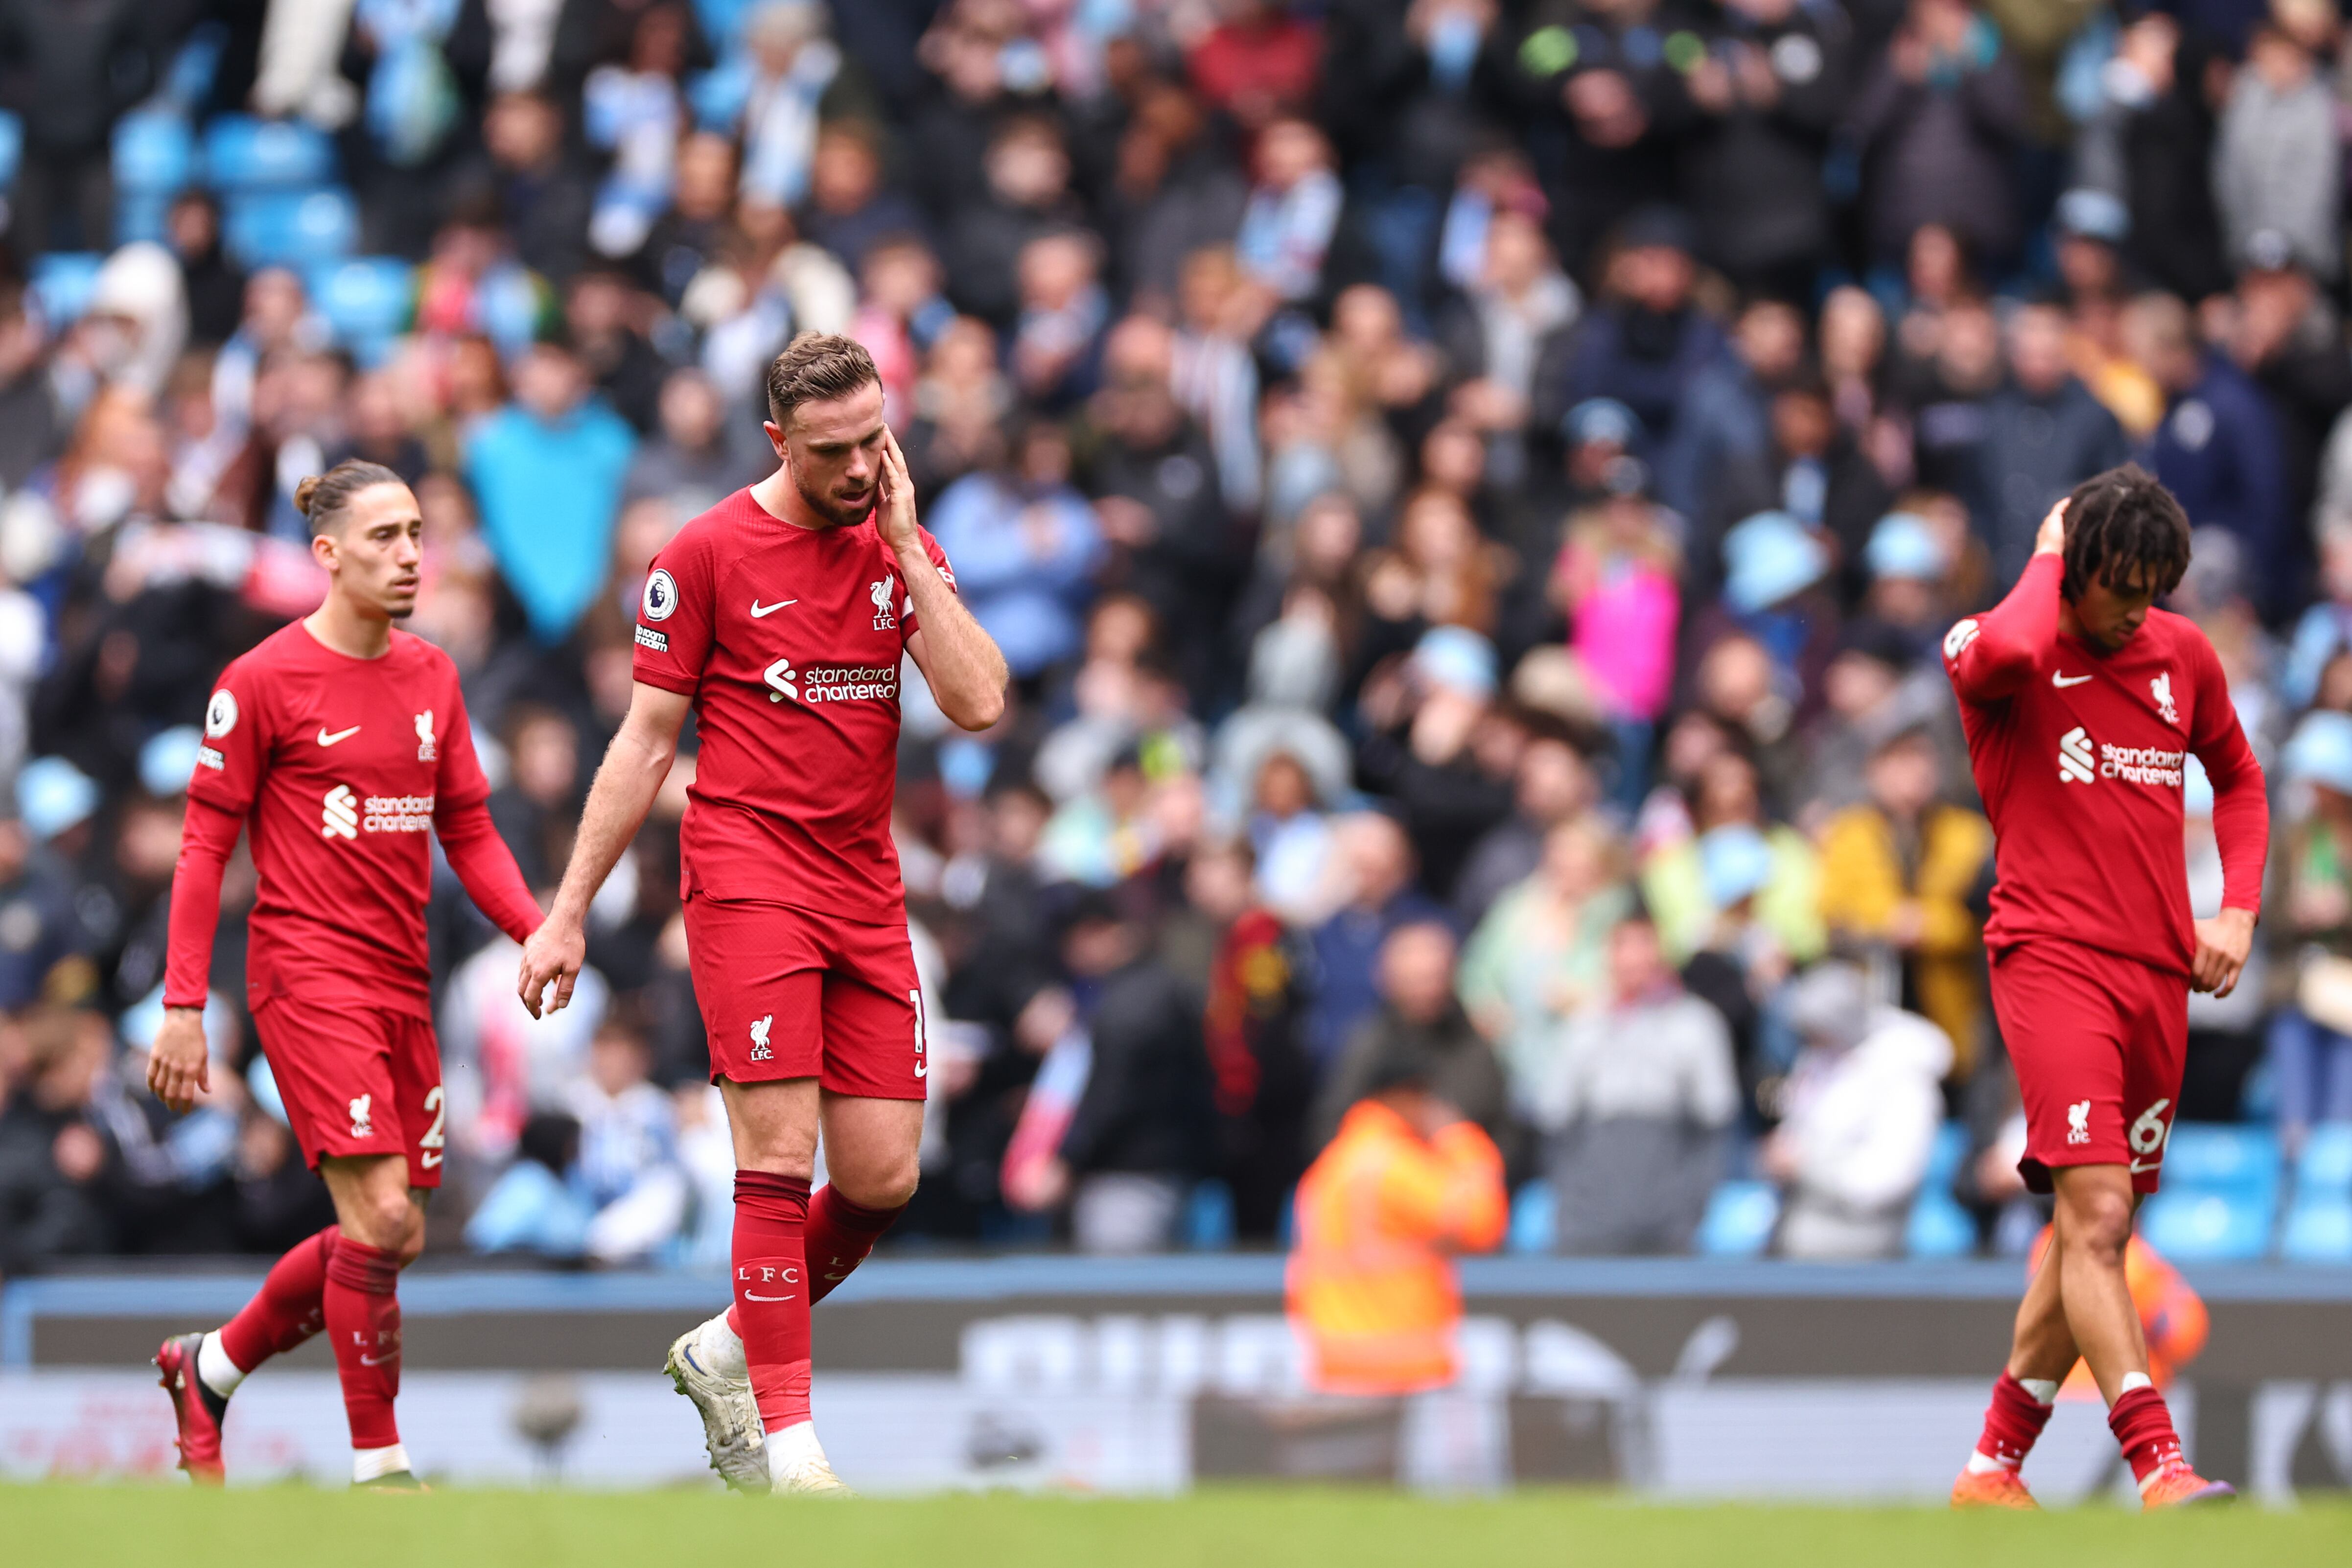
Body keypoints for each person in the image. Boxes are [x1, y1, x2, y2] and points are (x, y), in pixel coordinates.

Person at [515, 334, 1007, 1495]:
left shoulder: (898, 544)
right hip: (746, 876)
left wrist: (904, 548)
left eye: (872, 442)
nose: (856, 468)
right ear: (779, 441)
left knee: (884, 1179)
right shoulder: (704, 554)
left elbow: (980, 701)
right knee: (777, 1157)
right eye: (832, 451)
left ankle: (729, 1342)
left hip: (865, 886)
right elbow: (644, 742)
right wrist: (568, 909)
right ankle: (791, 1447)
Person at [148, 461, 545, 1490]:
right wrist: (184, 1003)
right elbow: (202, 849)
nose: (411, 554)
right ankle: (382, 1469)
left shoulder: (432, 675)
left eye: (417, 533)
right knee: (376, 1220)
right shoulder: (262, 680)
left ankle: (212, 1364)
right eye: (384, 537)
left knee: (396, 1231)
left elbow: (466, 826)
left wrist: (534, 929)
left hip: (402, 979)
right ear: (326, 554)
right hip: (305, 973)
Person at [1941, 468, 2267, 1509]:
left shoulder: (2181, 655)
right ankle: (2156, 1463)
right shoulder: (1998, 653)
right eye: (2117, 584)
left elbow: (2241, 780)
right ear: (2070, 569)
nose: (2136, 608)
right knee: (2093, 1207)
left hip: (2155, 977)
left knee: (2095, 1226)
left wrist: (2236, 910)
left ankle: (1991, 1465)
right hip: (2050, 959)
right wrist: (2044, 552)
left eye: (2153, 586)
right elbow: (2001, 647)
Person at [1287, 1037, 1507, 1397]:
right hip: (1402, 1366)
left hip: (1335, 1365)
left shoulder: (1332, 1164)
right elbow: (1483, 1221)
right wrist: (1460, 1139)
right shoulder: (1393, 1166)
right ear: (1405, 1097)